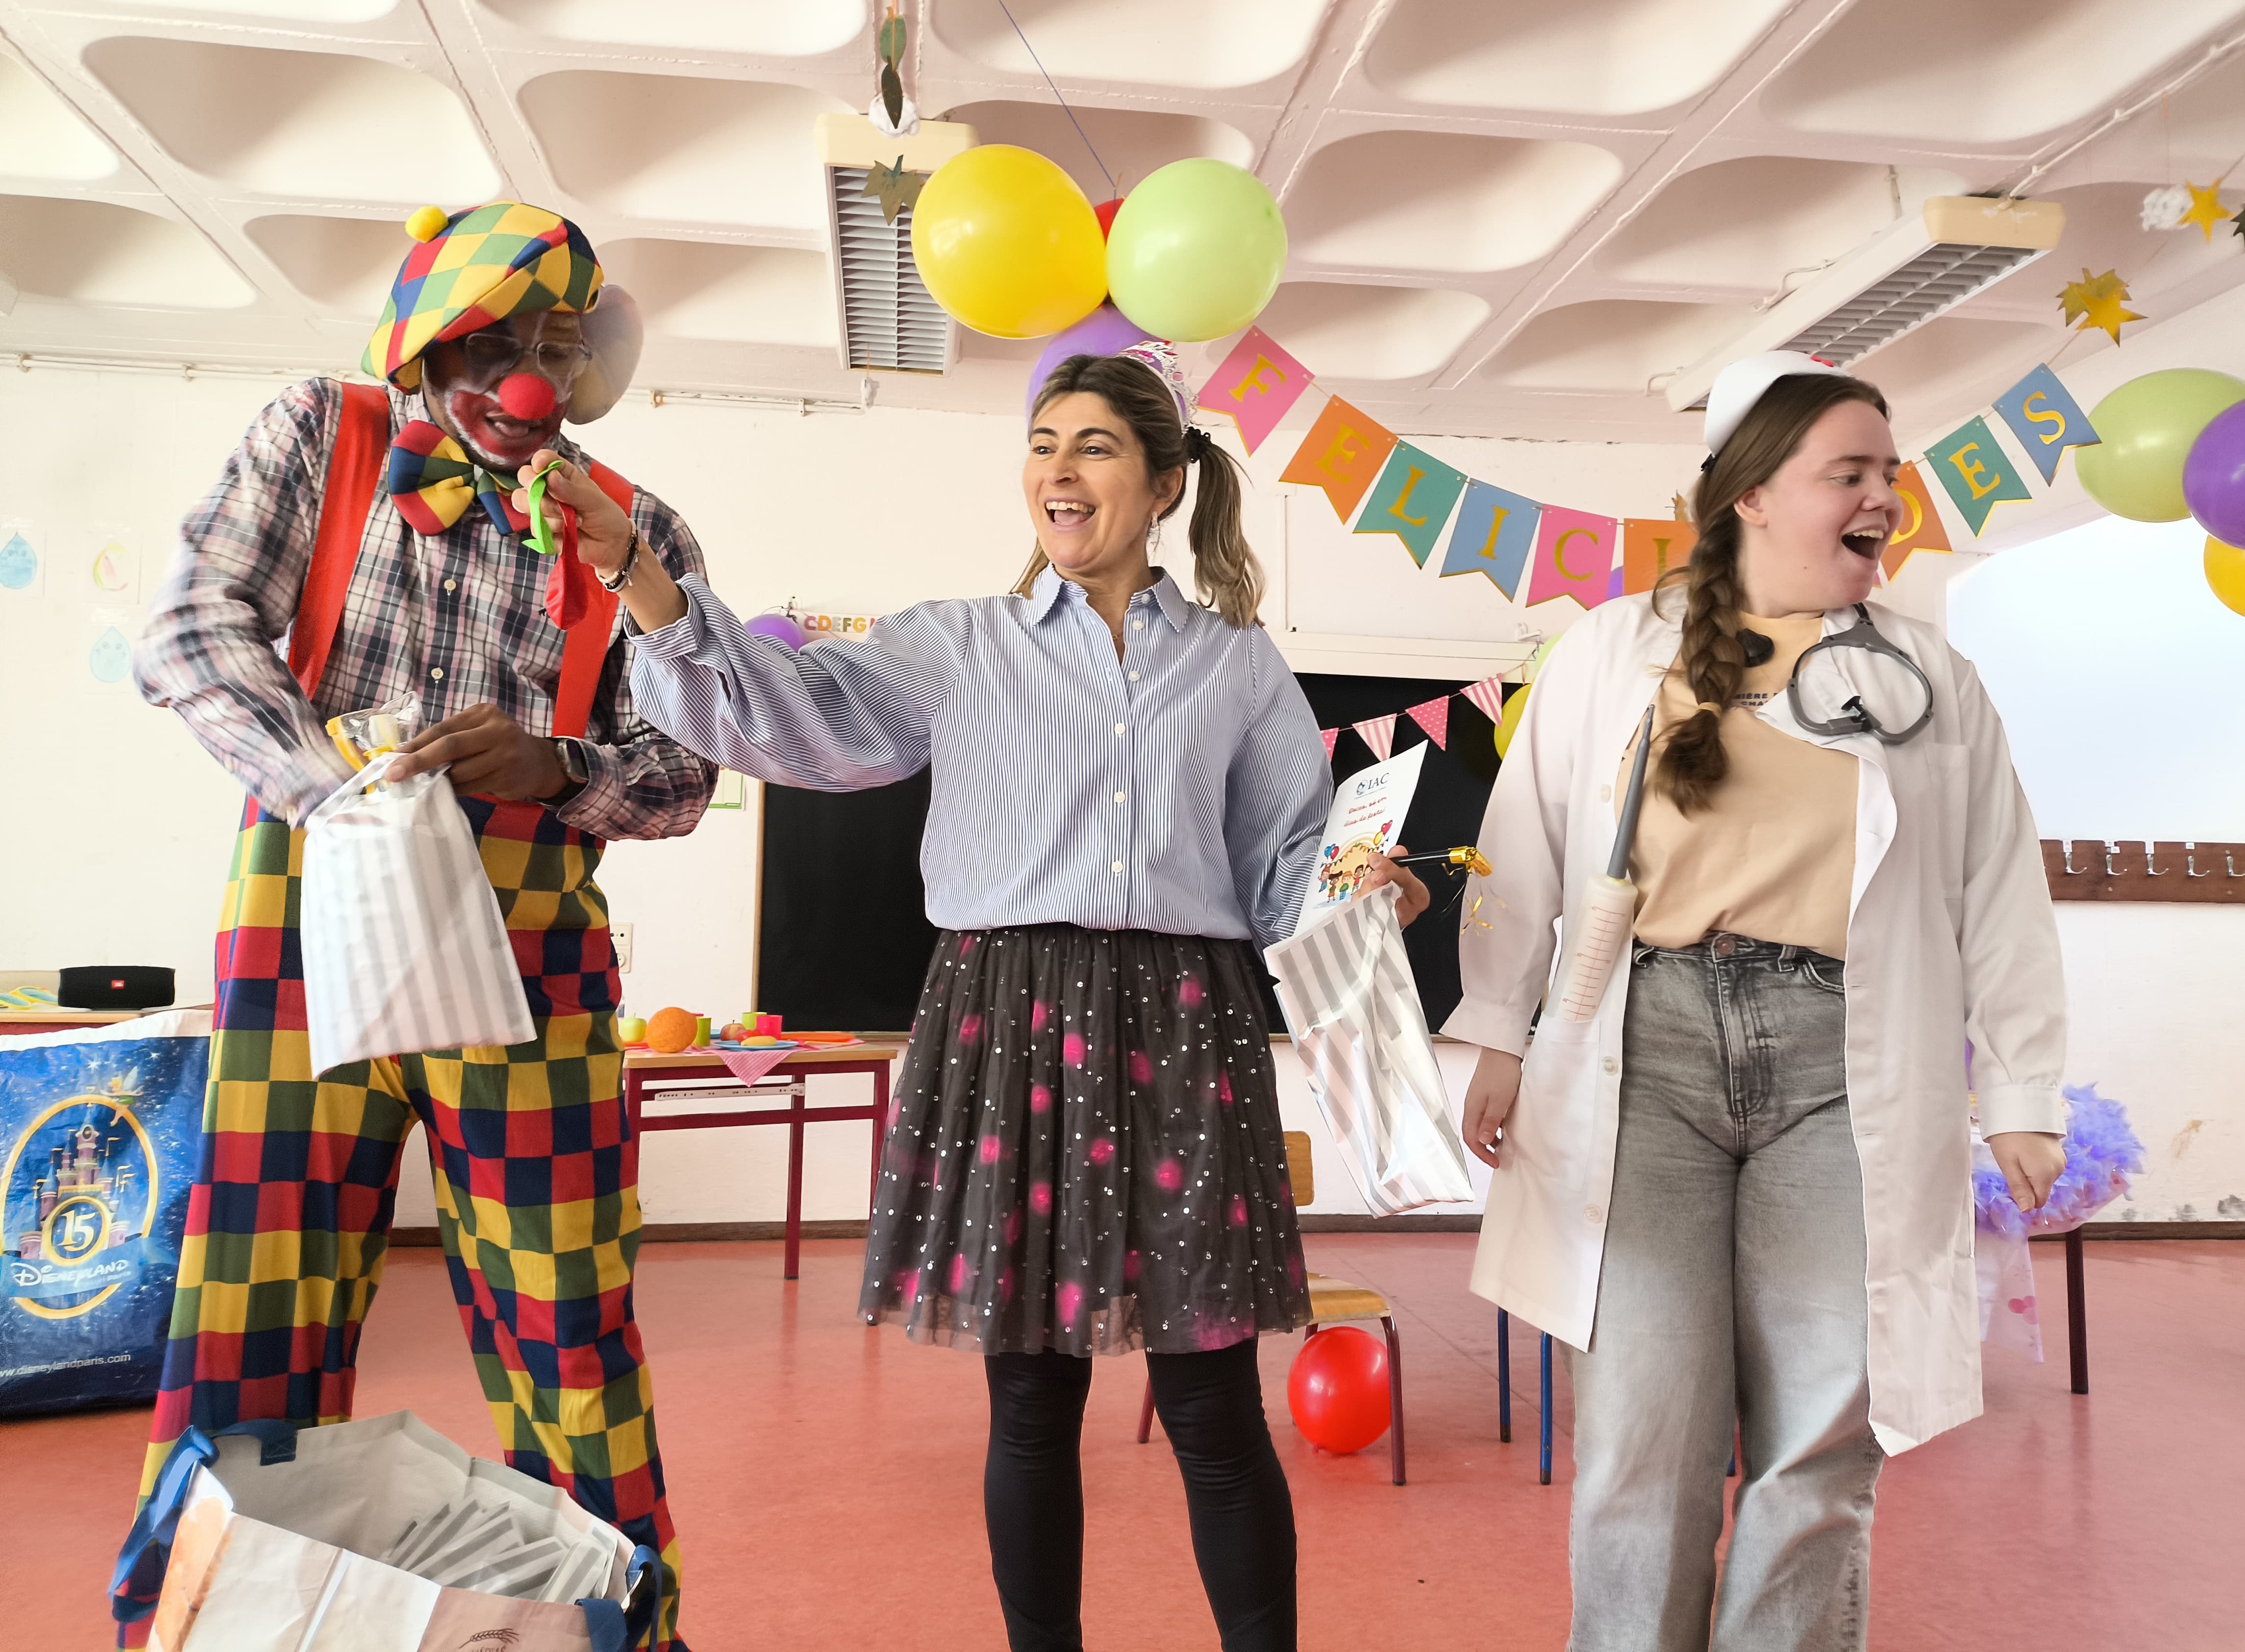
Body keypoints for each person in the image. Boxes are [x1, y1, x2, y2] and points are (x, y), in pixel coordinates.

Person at [518, 342, 1429, 1652]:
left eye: (1095, 447)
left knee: (1214, 1406)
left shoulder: (1235, 665)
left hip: (1187, 1020)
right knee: (1032, 1406)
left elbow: (1285, 866)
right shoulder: (961, 645)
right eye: (1043, 446)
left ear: (1165, 483)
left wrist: (1362, 890)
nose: (1059, 471)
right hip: (1012, 1021)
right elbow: (790, 715)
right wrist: (640, 577)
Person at [126, 203, 712, 1650]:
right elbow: (192, 628)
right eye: (493, 342)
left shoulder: (635, 527)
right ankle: (211, 1627)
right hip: (310, 914)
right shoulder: (318, 436)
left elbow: (689, 773)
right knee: (255, 1293)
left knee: (569, 1319)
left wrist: (555, 767)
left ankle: (613, 1634)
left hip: (532, 945)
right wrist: (344, 795)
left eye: (556, 349)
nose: (527, 379)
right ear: (424, 341)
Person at [1450, 351, 2069, 1651]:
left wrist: (2021, 1089)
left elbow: (1999, 887)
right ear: (1753, 495)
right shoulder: (1615, 650)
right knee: (1643, 1433)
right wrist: (1497, 1028)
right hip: (1647, 1052)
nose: (1884, 499)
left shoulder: (1931, 679)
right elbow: (1525, 848)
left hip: (1850, 1065)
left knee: (1824, 1442)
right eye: (1850, 474)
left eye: (1889, 474)